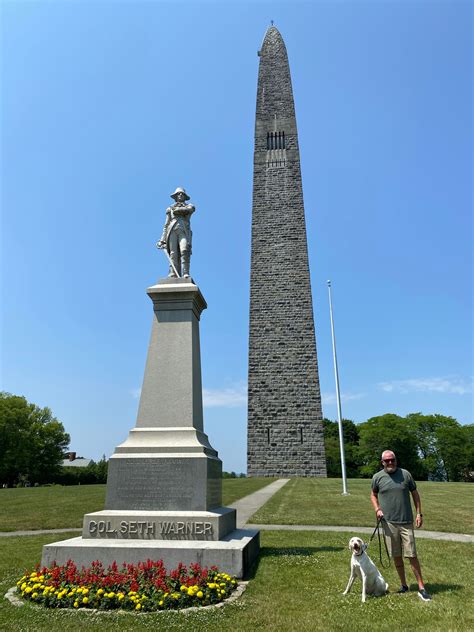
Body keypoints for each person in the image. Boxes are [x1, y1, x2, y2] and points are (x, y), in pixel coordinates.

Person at [370, 450, 432, 601]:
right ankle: (404, 585)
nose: (390, 463)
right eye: (387, 461)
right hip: (388, 523)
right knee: (396, 555)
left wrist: (419, 513)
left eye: (393, 460)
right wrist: (377, 509)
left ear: (396, 460)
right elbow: (373, 494)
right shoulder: (377, 477)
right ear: (382, 462)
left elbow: (415, 494)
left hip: (406, 522)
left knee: (412, 555)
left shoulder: (405, 474)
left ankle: (421, 587)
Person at [157, 187, 195, 278]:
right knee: (173, 253)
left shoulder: (188, 206)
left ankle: (185, 272)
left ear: (185, 196)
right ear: (175, 196)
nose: (180, 195)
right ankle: (173, 273)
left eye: (182, 194)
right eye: (178, 194)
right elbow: (166, 225)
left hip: (183, 230)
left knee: (184, 250)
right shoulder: (170, 208)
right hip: (172, 229)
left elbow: (191, 209)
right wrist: (162, 239)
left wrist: (179, 210)